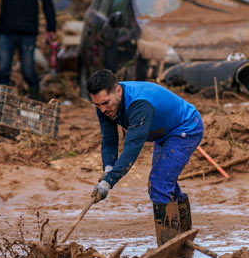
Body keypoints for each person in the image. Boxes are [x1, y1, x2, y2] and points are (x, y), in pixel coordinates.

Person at [86, 69, 204, 246]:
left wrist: (108, 182)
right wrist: (108, 168)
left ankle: (168, 249)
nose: (102, 109)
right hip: (163, 133)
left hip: (185, 128)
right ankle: (184, 237)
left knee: (159, 183)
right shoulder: (105, 107)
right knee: (164, 184)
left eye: (105, 103)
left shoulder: (139, 104)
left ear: (118, 91)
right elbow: (109, 140)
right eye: (97, 105)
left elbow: (132, 147)